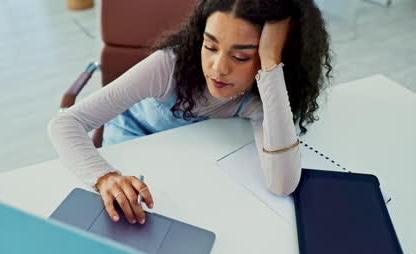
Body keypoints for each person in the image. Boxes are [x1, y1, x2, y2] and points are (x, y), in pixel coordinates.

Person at [48, 0, 332, 226]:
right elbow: (65, 123)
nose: (218, 68)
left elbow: (282, 183)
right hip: (134, 144)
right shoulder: (167, 67)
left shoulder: (258, 96)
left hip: (193, 161)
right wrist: (104, 176)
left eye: (241, 56)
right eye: (209, 46)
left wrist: (270, 65)